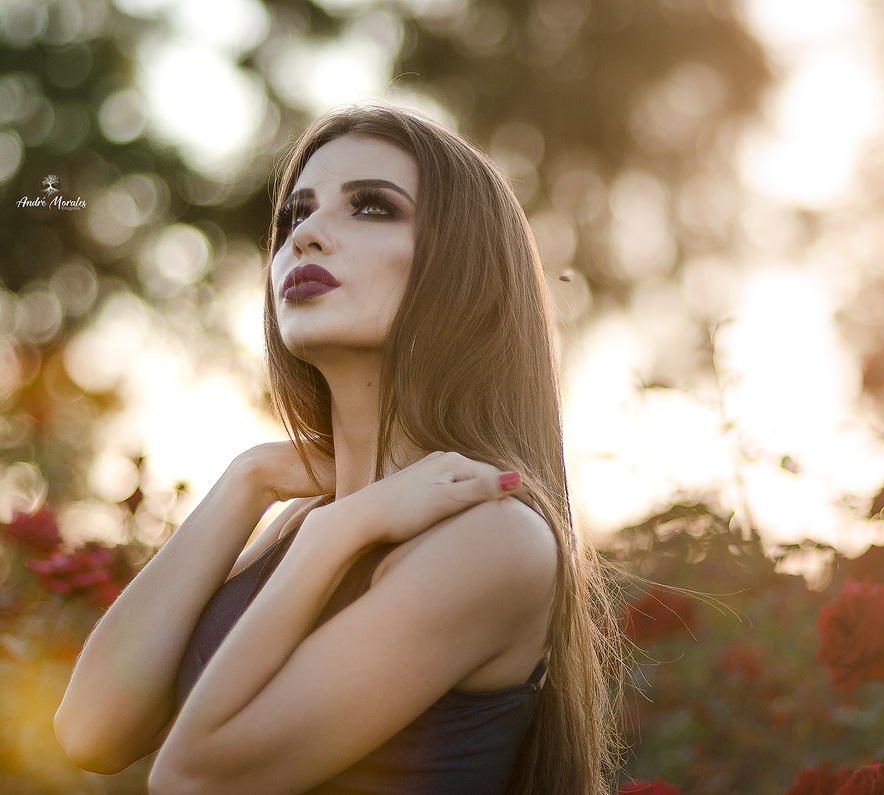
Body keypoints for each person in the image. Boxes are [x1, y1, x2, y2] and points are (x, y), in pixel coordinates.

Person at [54, 103, 622, 794]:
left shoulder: (495, 535)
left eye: (372, 207)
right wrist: (249, 478)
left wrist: (337, 528)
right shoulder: (291, 520)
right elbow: (90, 729)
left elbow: (193, 780)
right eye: (295, 214)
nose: (306, 236)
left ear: (464, 268)